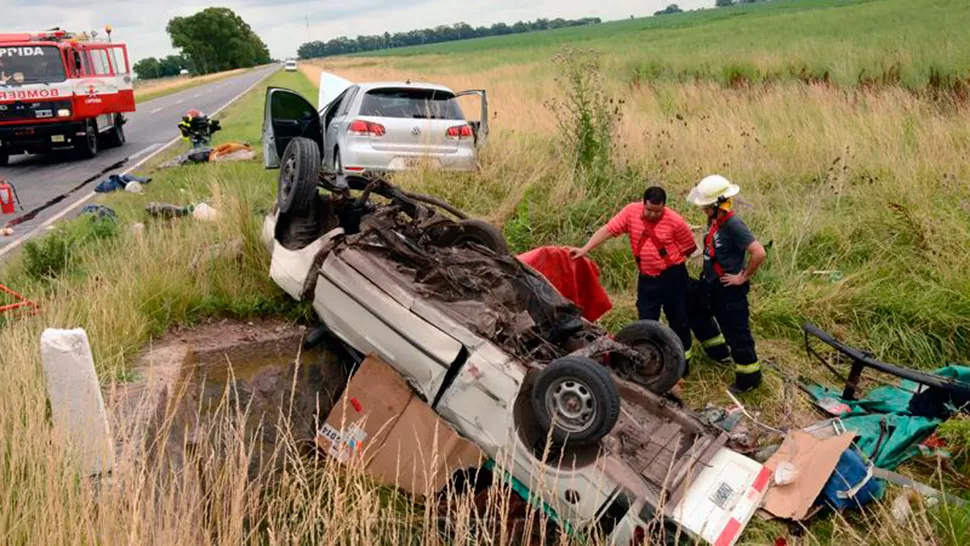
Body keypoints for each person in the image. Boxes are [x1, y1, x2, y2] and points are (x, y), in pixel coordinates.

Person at [572, 186, 697, 370]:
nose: (653, 215)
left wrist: (667, 264)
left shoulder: (676, 221)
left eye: (658, 211)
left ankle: (683, 363)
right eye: (649, 210)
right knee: (646, 319)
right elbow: (608, 230)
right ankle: (650, 360)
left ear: (664, 206)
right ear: (643, 203)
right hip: (647, 278)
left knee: (678, 318)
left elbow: (689, 248)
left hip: (673, 276)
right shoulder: (631, 212)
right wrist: (584, 249)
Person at [686, 174, 767, 393]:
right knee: (696, 313)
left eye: (706, 206)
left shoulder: (733, 224)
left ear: (718, 204)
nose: (703, 210)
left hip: (728, 290)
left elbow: (758, 252)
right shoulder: (714, 221)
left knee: (737, 334)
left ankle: (749, 379)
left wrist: (742, 276)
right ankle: (719, 353)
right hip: (710, 285)